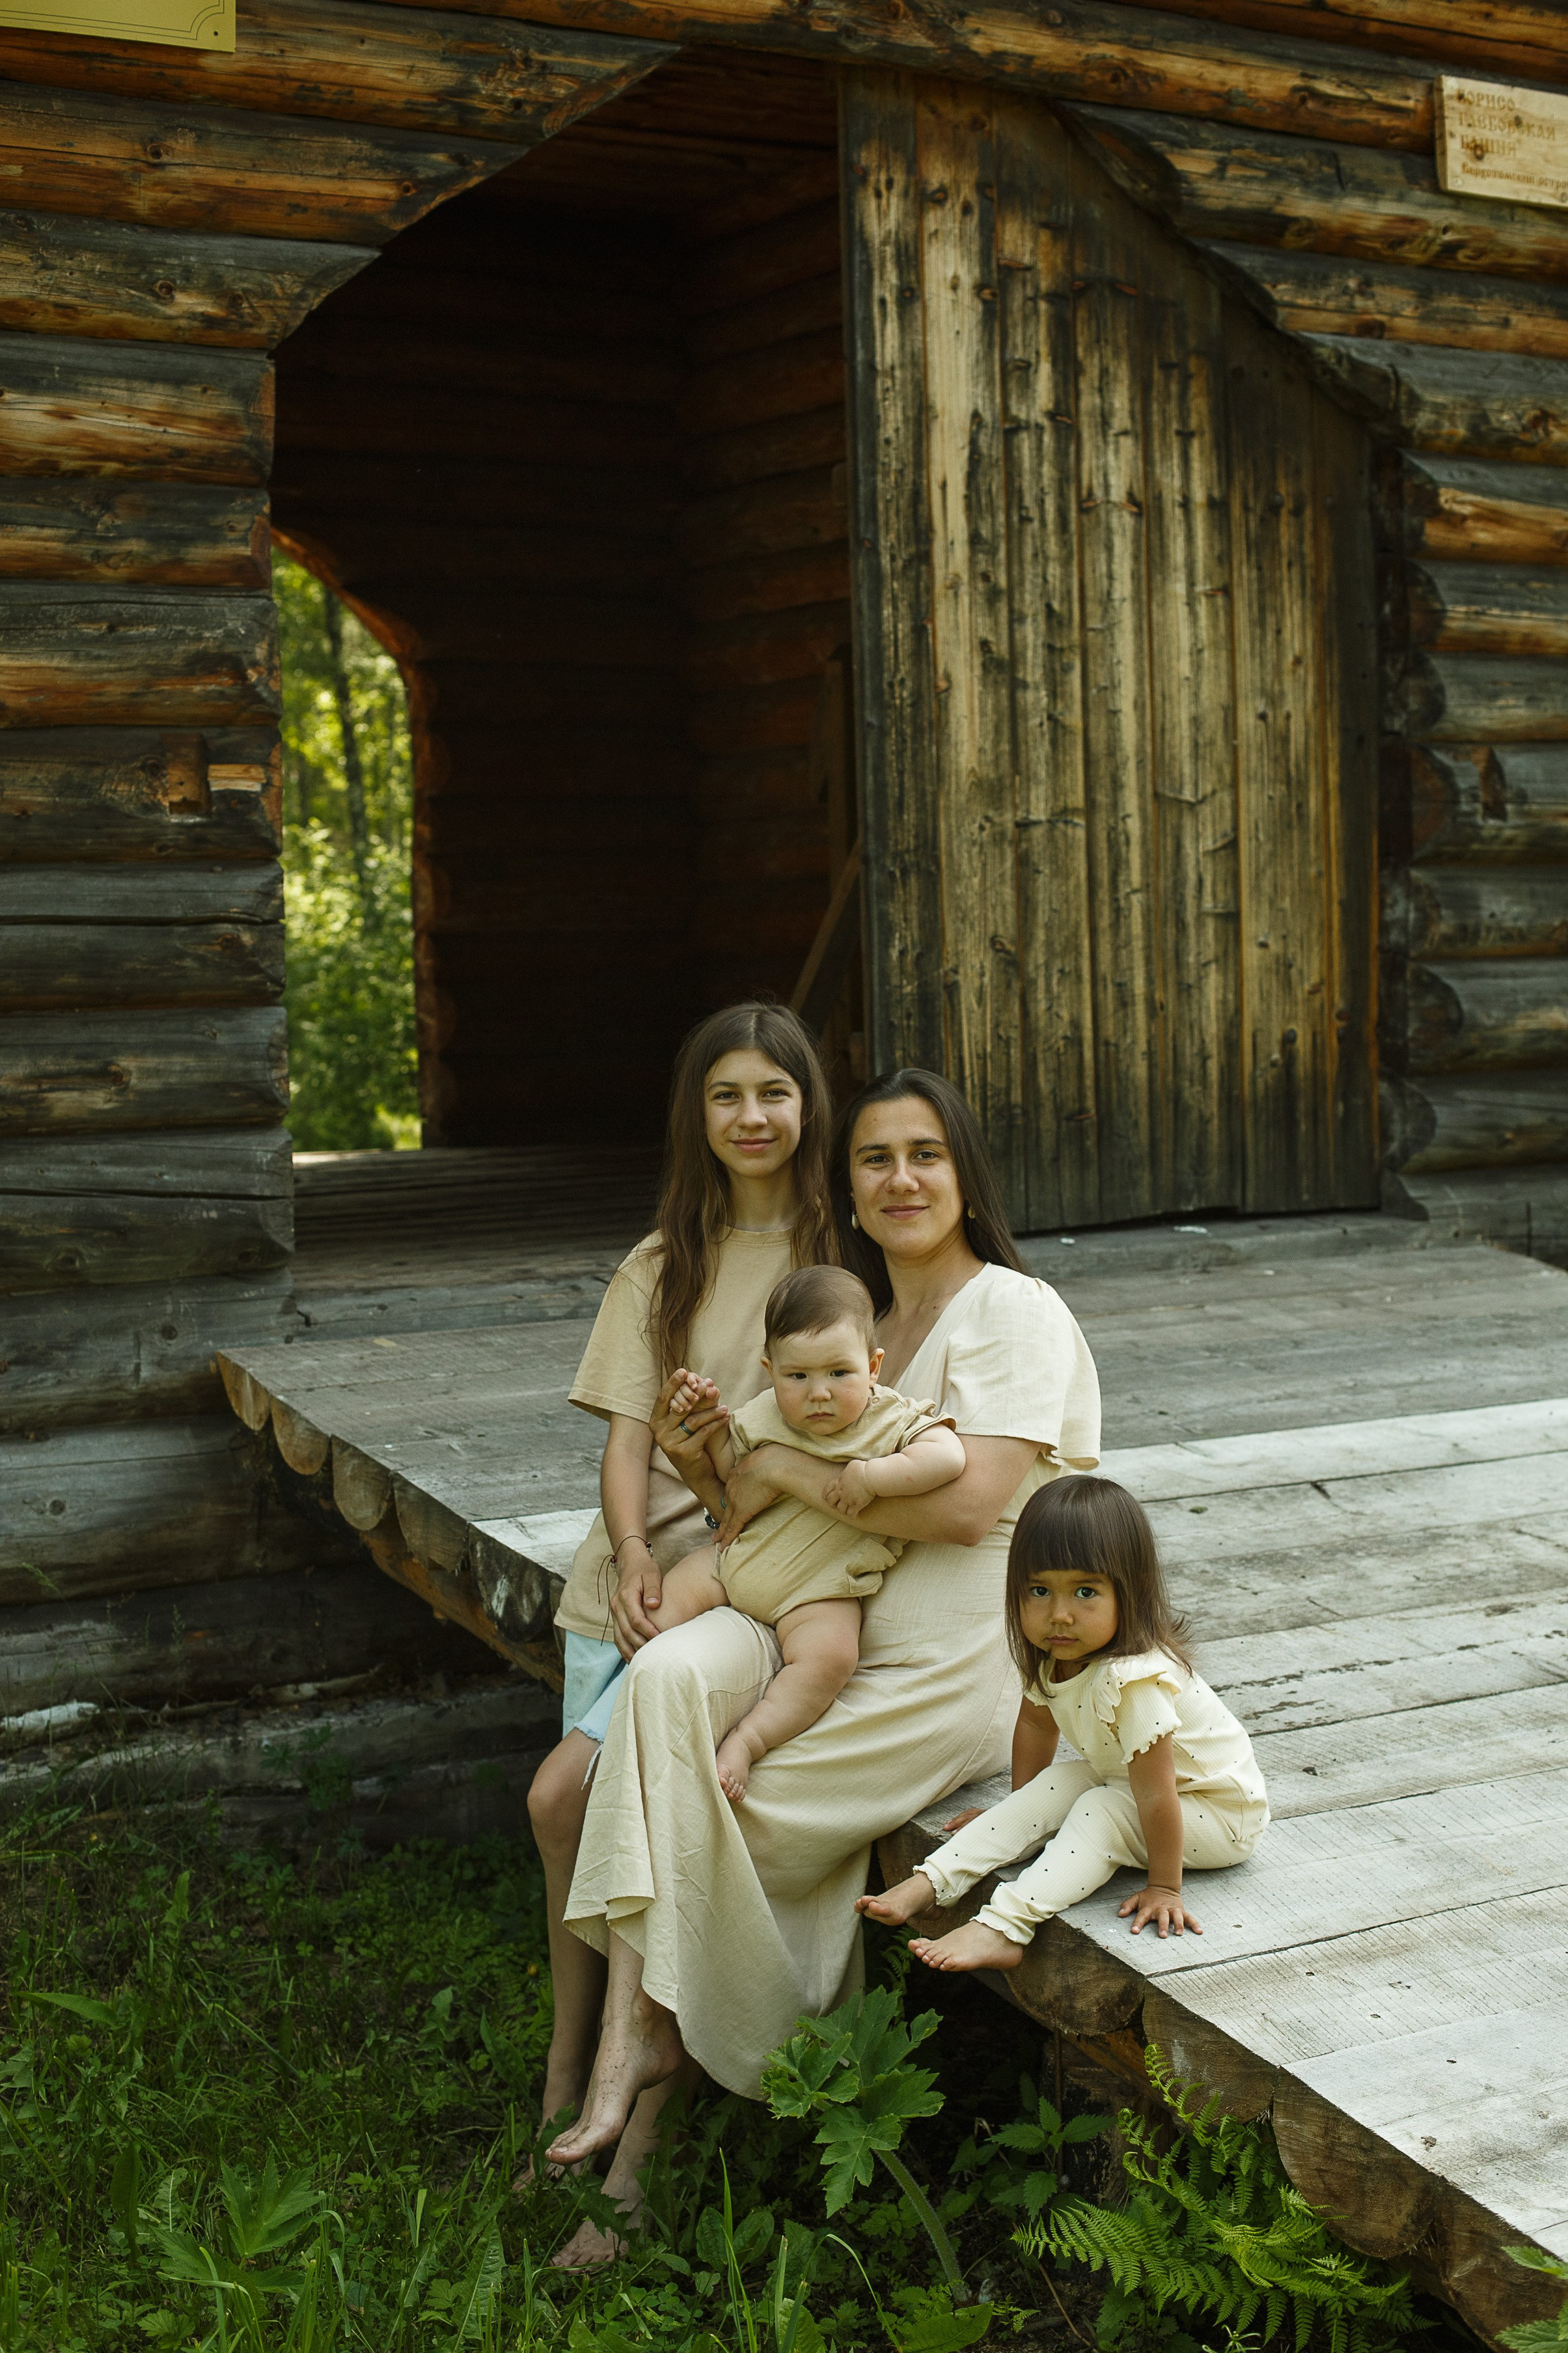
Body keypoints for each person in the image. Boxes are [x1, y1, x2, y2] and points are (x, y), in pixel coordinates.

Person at [543, 1068, 1101, 2241]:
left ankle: (631, 2154)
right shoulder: (851, 1323)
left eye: (925, 1154)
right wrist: (708, 1455)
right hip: (812, 1615)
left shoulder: (1011, 1307)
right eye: (872, 1158)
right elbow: (743, 1506)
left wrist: (786, 1470)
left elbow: (966, 1506)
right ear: (843, 1183)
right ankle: (632, 2049)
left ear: (964, 1174)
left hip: (942, 1662)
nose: (898, 1179)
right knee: (657, 1687)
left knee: (700, 1815)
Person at [523, 1001, 836, 2256]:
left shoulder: (834, 1257)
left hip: (738, 1575)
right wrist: (637, 1550)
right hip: (632, 1575)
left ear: (809, 1103)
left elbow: (809, 1447)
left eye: (775, 1090)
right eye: (726, 1094)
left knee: (571, 1800)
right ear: (696, 1114)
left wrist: (698, 1552)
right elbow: (626, 1435)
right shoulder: (664, 1261)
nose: (752, 1115)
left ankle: (633, 2148)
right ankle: (566, 2051)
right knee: (582, 1826)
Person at [861, 1477, 1268, 1969]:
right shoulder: (1055, 1658)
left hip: (1218, 1815)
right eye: (1038, 1590)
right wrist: (1018, 1818)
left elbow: (1157, 1797)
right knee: (1061, 1781)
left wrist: (1163, 1886)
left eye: (1084, 1592)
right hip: (1138, 1787)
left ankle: (1003, 1927)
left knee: (1102, 1809)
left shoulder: (1133, 1682)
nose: (1058, 1615)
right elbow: (1037, 1728)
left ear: (1129, 1593)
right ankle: (934, 1881)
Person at [646, 1264, 967, 1802]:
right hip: (732, 1563)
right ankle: (639, 1711)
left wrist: (872, 1475)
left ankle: (748, 1740)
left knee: (830, 1660)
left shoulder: (891, 1421)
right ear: (770, 1370)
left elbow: (948, 1458)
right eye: (798, 1377)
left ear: (873, 1366)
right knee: (657, 1617)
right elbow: (733, 1475)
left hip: (819, 1593)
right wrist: (703, 1424)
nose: (818, 1393)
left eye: (839, 1374)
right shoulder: (763, 1415)